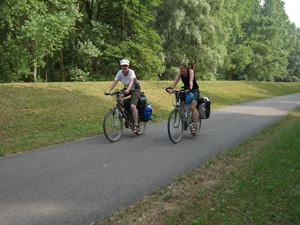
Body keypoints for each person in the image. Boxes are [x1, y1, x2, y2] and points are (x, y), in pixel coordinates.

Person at [104, 59, 141, 133]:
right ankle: (124, 113)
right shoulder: (119, 73)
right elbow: (114, 83)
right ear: (121, 66)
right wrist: (108, 91)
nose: (124, 67)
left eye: (126, 65)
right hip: (126, 88)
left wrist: (128, 89)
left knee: (133, 106)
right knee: (118, 95)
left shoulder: (131, 72)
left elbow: (131, 82)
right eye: (123, 65)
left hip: (135, 89)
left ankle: (136, 125)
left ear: (128, 66)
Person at [168, 62, 199, 134]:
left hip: (194, 89)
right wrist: (171, 88)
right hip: (185, 89)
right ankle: (185, 117)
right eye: (180, 69)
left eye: (182, 68)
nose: (181, 70)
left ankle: (195, 126)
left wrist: (190, 89)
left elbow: (191, 80)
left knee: (192, 107)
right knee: (181, 101)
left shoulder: (191, 71)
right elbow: (176, 80)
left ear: (186, 68)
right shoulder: (180, 73)